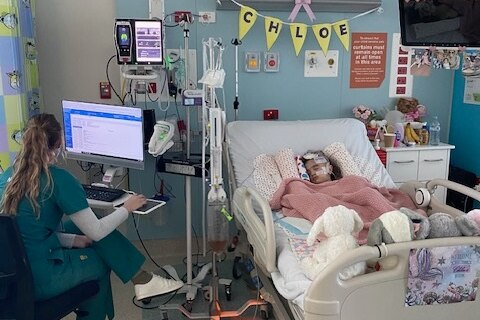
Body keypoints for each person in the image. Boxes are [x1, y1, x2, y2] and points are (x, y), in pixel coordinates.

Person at [0, 113, 183, 320]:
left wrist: (72, 240)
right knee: (100, 261)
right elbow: (96, 232)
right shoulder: (58, 180)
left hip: (11, 275)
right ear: (58, 144)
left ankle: (143, 280)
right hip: (39, 279)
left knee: (80, 227)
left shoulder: (7, 176)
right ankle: (140, 281)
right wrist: (127, 208)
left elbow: (23, 233)